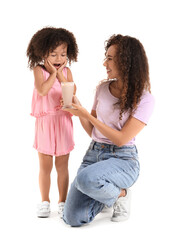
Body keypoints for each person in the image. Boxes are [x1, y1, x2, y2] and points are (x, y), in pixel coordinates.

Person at [62, 34, 155, 227]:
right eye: (106, 57)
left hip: (123, 159)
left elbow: (121, 139)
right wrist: (78, 111)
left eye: (110, 58)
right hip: (94, 153)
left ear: (126, 61)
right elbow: (94, 132)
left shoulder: (145, 99)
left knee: (84, 179)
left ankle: (122, 194)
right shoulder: (102, 89)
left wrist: (86, 115)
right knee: (71, 218)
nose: (105, 63)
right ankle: (105, 194)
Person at [26, 27, 78, 217]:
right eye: (53, 54)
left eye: (63, 54)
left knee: (63, 166)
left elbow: (71, 93)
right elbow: (42, 91)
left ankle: (63, 201)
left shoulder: (67, 72)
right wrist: (53, 74)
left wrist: (61, 73)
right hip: (45, 123)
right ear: (43, 54)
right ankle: (45, 201)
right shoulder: (39, 70)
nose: (58, 58)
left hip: (63, 122)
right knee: (45, 167)